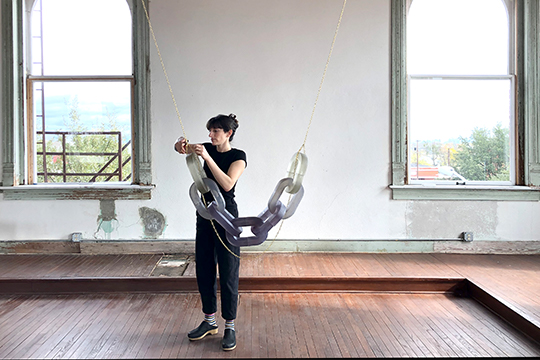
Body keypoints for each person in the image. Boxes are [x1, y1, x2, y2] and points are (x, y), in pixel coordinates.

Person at [174, 113, 246, 351]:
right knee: (204, 268)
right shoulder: (205, 147)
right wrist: (180, 146)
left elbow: (227, 184)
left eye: (215, 131)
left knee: (228, 270)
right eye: (210, 131)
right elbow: (182, 150)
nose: (210, 135)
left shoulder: (239, 157)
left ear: (228, 133)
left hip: (227, 217)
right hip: (205, 215)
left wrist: (207, 157)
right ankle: (209, 321)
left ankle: (230, 326)